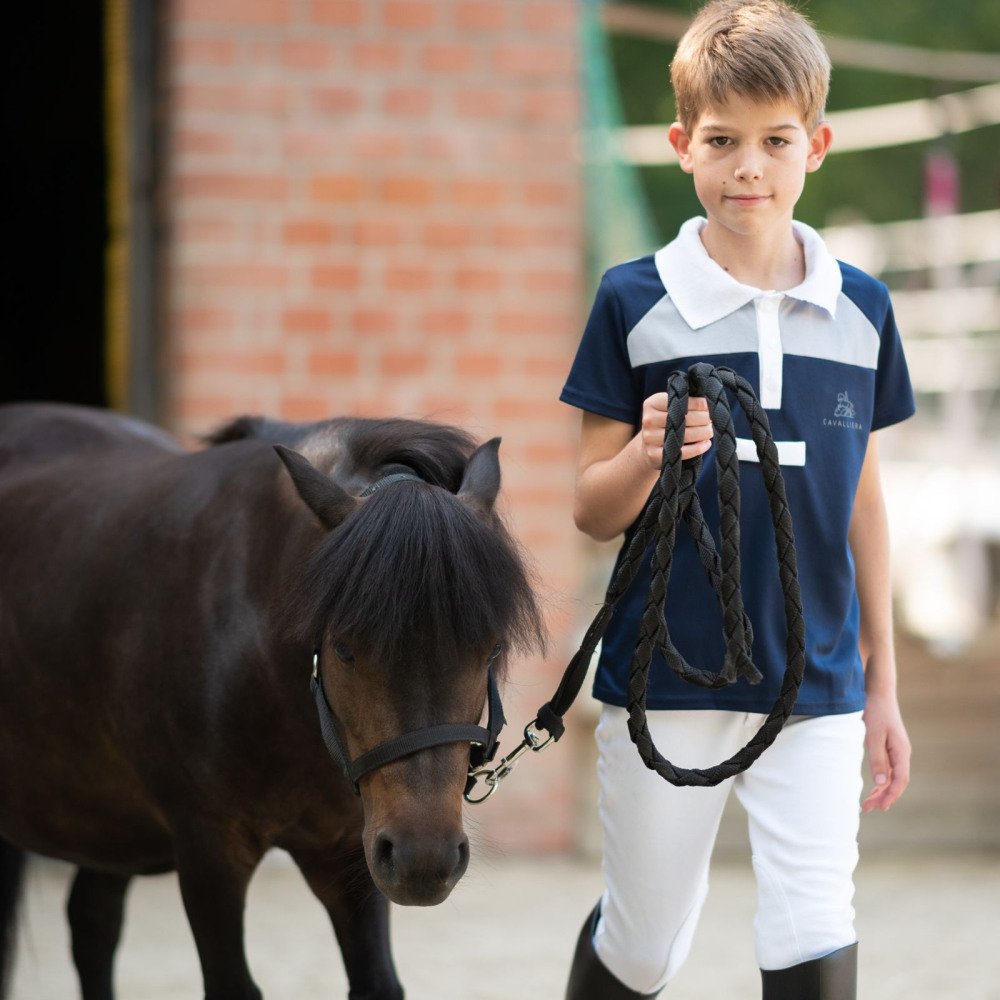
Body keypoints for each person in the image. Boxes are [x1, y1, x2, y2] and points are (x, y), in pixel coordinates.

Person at [559, 2, 915, 997]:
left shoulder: (862, 308)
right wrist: (647, 454)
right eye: (721, 141)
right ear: (682, 145)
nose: (748, 168)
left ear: (816, 146)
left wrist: (882, 682)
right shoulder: (633, 300)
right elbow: (590, 508)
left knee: (814, 925)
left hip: (818, 679)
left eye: (775, 141)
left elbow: (862, 502)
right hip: (665, 677)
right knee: (643, 944)